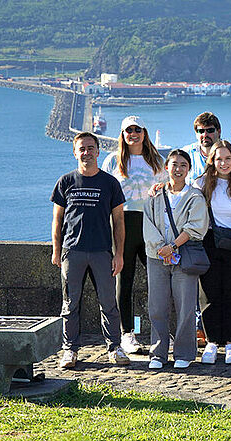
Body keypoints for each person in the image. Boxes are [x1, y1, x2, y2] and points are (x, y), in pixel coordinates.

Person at [51, 132, 130, 369]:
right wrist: (57, 250)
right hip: (72, 251)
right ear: (75, 152)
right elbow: (57, 219)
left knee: (108, 303)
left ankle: (114, 348)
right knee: (70, 303)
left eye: (90, 148)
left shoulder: (110, 183)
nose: (86, 152)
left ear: (98, 151)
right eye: (82, 148)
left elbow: (118, 221)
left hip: (101, 251)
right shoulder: (66, 181)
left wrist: (119, 254)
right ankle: (69, 350)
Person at [101, 115, 165, 355]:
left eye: (137, 129)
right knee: (123, 280)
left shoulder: (157, 161)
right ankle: (127, 333)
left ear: (144, 132)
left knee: (157, 280)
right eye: (129, 130)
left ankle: (160, 330)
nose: (133, 134)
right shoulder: (113, 161)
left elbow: (166, 193)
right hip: (122, 223)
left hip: (149, 223)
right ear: (122, 134)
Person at [143, 149, 209, 369]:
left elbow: (196, 227)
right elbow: (148, 223)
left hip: (183, 257)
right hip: (157, 257)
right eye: (174, 164)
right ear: (166, 168)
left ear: (188, 169)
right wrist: (161, 248)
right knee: (157, 306)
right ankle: (158, 353)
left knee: (186, 308)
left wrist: (171, 247)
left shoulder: (195, 196)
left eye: (183, 165)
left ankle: (184, 353)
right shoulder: (155, 196)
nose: (178, 169)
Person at [194, 141, 231, 365]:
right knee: (208, 294)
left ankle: (229, 342)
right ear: (212, 161)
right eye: (219, 159)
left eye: (228, 158)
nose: (224, 163)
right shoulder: (201, 183)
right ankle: (211, 341)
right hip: (209, 242)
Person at [182, 112, 221, 185]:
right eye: (201, 131)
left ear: (219, 132)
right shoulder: (186, 153)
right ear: (196, 134)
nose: (205, 135)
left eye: (210, 130)